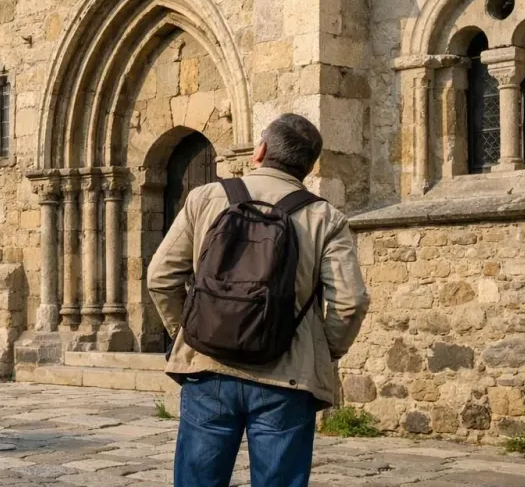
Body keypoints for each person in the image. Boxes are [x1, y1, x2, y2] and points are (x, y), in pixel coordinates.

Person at [147, 113, 370, 487]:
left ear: (260, 151)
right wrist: (321, 350)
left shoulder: (205, 198)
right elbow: (350, 303)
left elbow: (160, 277)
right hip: (288, 374)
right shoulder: (325, 218)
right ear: (308, 166)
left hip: (208, 367)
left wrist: (190, 331)